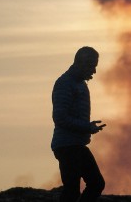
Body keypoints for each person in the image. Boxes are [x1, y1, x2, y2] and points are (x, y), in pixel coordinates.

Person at [51, 46, 106, 202]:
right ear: (81, 63)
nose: (94, 71)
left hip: (76, 145)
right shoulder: (65, 83)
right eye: (92, 66)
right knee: (72, 191)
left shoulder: (80, 84)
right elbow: (60, 117)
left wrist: (87, 126)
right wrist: (86, 127)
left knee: (95, 184)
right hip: (67, 146)